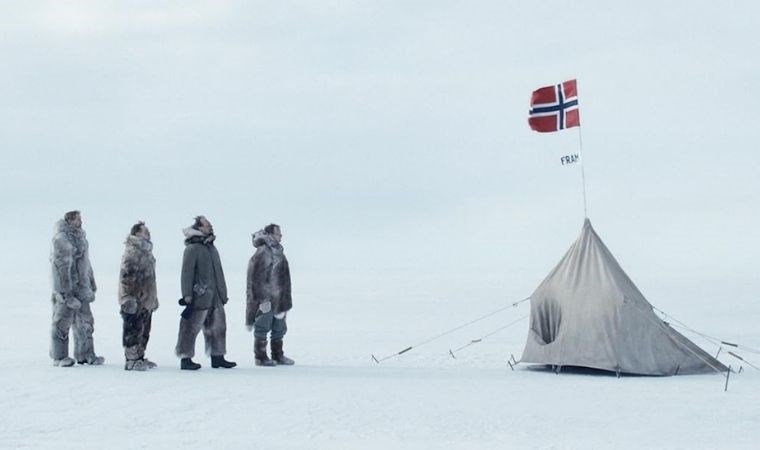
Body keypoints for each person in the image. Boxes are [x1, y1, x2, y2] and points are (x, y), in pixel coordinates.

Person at [175, 216, 236, 370]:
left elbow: (219, 272)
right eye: (207, 225)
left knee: (218, 327)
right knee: (190, 327)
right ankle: (185, 358)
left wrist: (223, 292)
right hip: (198, 296)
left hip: (215, 297)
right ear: (199, 228)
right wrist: (187, 294)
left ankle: (218, 357)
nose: (210, 227)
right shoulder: (192, 248)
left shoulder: (211, 248)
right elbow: (186, 273)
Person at [49, 210, 104, 367]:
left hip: (82, 288)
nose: (81, 221)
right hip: (67, 290)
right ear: (70, 220)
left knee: (86, 323)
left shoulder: (81, 238)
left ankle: (86, 355)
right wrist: (64, 293)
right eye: (78, 219)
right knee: (62, 323)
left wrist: (91, 282)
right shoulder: (61, 239)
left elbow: (86, 263)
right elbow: (60, 267)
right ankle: (59, 357)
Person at [246, 223, 294, 366]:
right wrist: (263, 299)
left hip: (280, 297)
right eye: (278, 233)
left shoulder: (278, 251)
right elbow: (257, 279)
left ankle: (278, 355)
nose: (281, 235)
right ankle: (260, 357)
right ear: (270, 235)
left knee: (279, 327)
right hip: (267, 298)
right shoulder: (263, 253)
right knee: (263, 325)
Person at [118, 221, 159, 371]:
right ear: (136, 234)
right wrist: (130, 297)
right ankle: (131, 359)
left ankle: (140, 356)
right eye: (144, 231)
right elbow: (127, 277)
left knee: (144, 329)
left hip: (145, 299)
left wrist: (152, 298)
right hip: (134, 300)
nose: (148, 233)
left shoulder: (146, 252)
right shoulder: (133, 251)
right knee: (133, 329)